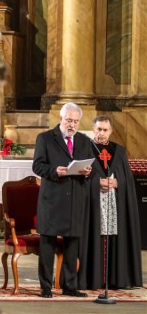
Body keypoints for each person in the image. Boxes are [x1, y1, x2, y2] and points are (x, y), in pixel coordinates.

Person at [32, 102, 93, 298]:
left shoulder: (84, 141)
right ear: (60, 118)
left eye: (76, 121)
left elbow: (91, 168)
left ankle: (69, 286)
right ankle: (46, 287)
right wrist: (54, 170)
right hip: (53, 199)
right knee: (47, 244)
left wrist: (88, 172)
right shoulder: (46, 138)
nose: (72, 125)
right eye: (69, 120)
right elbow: (37, 166)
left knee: (72, 243)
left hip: (76, 199)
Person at [78, 115, 142, 290]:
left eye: (105, 130)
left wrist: (117, 182)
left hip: (114, 200)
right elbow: (77, 176)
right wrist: (95, 182)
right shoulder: (85, 148)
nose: (101, 133)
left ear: (111, 131)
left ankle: (115, 278)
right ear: (93, 130)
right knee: (94, 236)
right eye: (98, 129)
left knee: (114, 236)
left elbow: (127, 179)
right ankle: (92, 279)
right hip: (92, 202)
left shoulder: (119, 151)